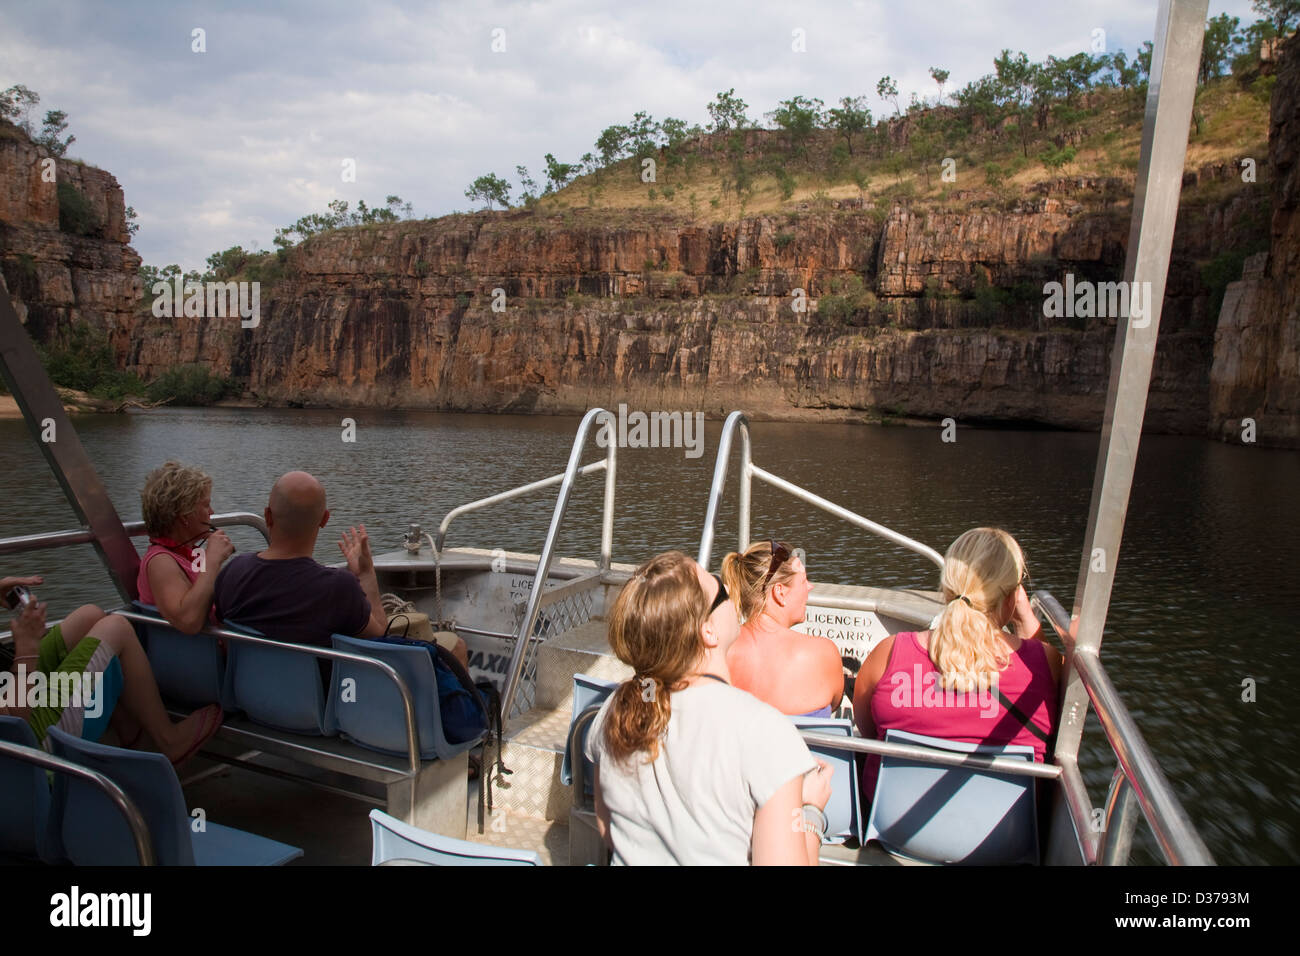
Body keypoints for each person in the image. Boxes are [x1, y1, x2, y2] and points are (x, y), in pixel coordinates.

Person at [585, 550, 833, 865]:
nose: (730, 591)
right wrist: (811, 812)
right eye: (719, 587)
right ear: (708, 631)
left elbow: (609, 828)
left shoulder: (613, 711)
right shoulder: (763, 730)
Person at [851, 527, 1063, 803]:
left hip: (893, 830)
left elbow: (868, 731)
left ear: (947, 587)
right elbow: (1057, 720)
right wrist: (1023, 620)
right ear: (1011, 594)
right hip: (1010, 839)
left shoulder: (889, 654)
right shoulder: (1045, 662)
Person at [213, 471, 468, 666]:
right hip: (319, 713)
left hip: (251, 699)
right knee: (454, 645)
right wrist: (366, 574)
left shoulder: (232, 572)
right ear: (325, 520)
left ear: (267, 516)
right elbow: (379, 640)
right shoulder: (336, 587)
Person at [1, 574, 222, 764]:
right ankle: (169, 740)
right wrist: (27, 649)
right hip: (28, 744)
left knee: (89, 616)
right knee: (117, 628)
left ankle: (130, 733)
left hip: (8, 689)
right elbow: (17, 725)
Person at [721, 539, 843, 717]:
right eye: (803, 581)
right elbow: (834, 703)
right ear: (780, 592)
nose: (810, 587)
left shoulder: (720, 652)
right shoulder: (823, 652)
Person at [137, 461, 235, 634]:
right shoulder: (160, 561)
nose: (211, 512)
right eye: (206, 505)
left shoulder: (194, 554)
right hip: (198, 655)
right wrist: (212, 560)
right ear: (185, 514)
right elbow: (188, 621)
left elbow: (201, 585)